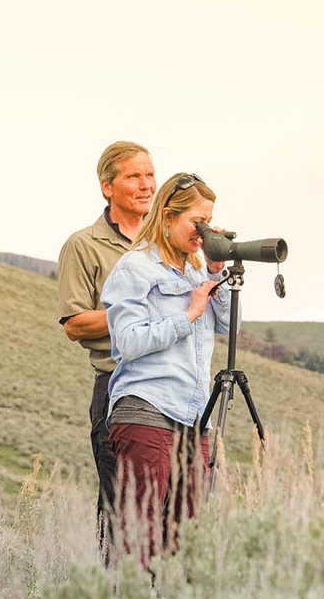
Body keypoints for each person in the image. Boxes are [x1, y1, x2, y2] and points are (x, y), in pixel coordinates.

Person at [102, 172, 230, 567]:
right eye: (197, 221)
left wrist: (213, 270)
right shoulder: (134, 268)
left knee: (186, 549)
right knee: (139, 545)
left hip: (194, 421)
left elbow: (231, 326)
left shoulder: (197, 274)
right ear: (167, 217)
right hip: (148, 412)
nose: (202, 231)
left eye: (209, 221)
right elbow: (129, 342)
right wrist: (188, 315)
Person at [56, 140, 156, 556]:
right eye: (134, 176)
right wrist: (142, 314)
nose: (147, 184)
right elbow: (76, 324)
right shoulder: (83, 245)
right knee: (121, 509)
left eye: (150, 175)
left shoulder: (167, 240)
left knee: (170, 508)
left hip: (174, 383)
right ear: (106, 186)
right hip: (118, 385)